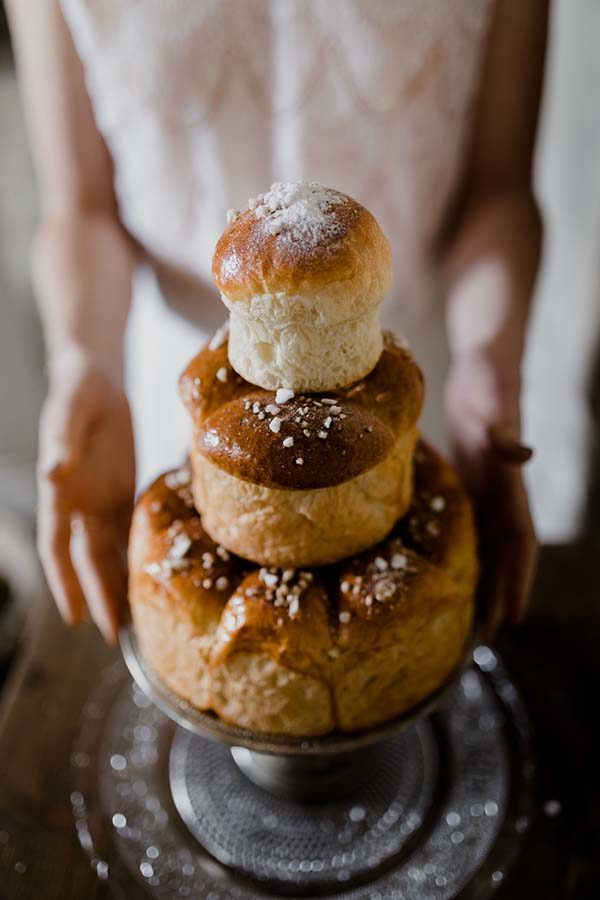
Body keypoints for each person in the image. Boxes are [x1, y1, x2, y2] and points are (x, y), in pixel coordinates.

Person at [6, 1, 547, 643]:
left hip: (406, 398)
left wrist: (490, 365)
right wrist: (83, 363)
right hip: (189, 411)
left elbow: (500, 191)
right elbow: (81, 207)